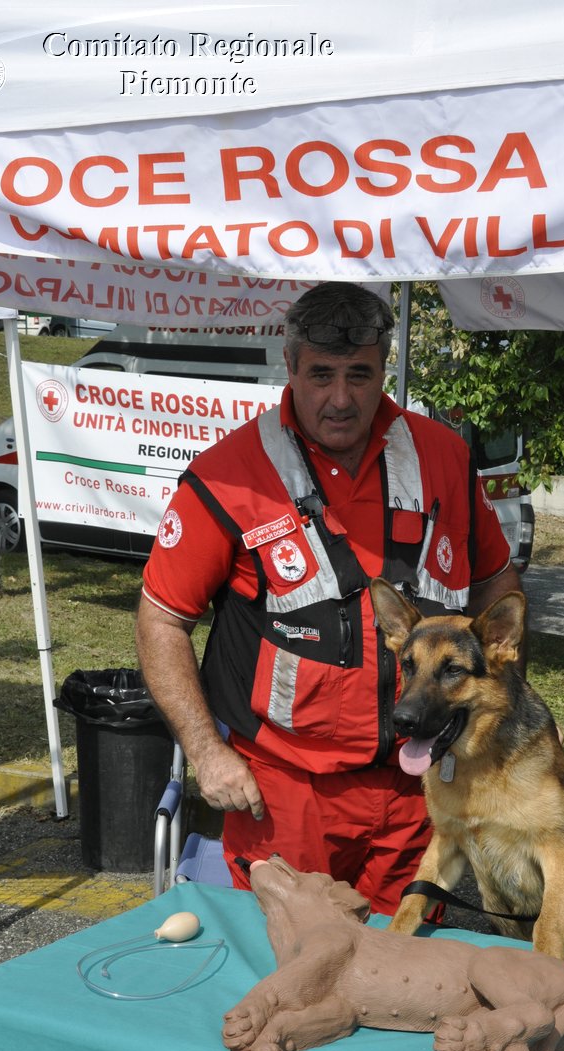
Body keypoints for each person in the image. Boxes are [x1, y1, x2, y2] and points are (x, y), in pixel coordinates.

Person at [136, 282, 521, 914]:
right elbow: (161, 618)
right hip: (284, 791)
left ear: (383, 370)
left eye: (359, 375)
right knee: (287, 976)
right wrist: (207, 752)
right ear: (289, 367)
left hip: (421, 783)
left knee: (405, 969)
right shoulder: (228, 474)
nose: (340, 399)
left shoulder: (444, 455)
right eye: (320, 375)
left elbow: (499, 585)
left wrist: (495, 720)